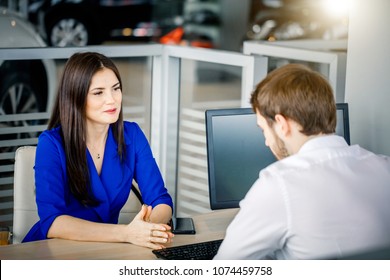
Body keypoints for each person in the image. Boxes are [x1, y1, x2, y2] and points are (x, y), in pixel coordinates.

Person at [214, 64, 390, 259]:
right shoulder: (383, 167)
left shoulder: (279, 185)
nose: (266, 141)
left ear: (281, 124)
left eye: (263, 129)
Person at [23, 52, 174, 250]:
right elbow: (53, 222)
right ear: (76, 97)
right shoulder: (51, 144)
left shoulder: (133, 135)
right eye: (98, 92)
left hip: (108, 249)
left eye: (116, 89)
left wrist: (147, 230)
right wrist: (128, 233)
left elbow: (160, 200)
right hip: (55, 251)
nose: (111, 100)